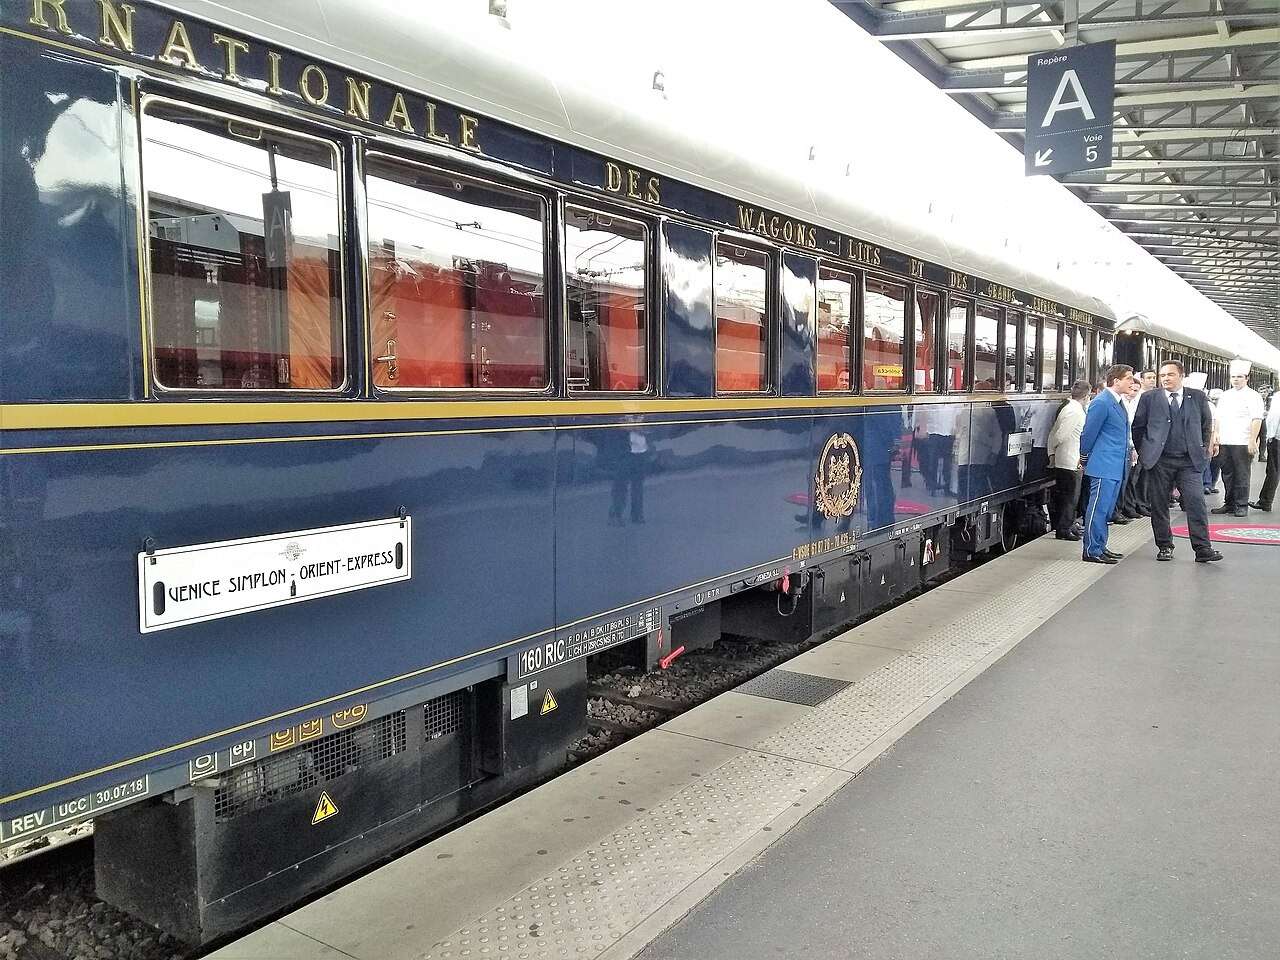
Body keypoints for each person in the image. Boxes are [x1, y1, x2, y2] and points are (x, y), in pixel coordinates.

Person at [1132, 360, 1221, 563]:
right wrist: (1145, 452)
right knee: (1159, 505)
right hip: (1160, 461)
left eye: (1170, 375)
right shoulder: (1149, 398)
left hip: (1189, 462)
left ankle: (1203, 548)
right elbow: (1138, 427)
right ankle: (1164, 546)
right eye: (1162, 375)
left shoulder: (1197, 396)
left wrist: (1202, 449)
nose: (1165, 379)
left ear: (1181, 376)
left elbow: (1206, 425)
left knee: (1196, 503)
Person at [1078, 364, 1135, 564]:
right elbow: (1088, 433)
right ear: (1116, 381)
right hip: (1104, 464)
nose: (1132, 382)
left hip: (1115, 465)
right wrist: (1084, 457)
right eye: (1128, 378)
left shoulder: (1117, 402)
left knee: (1107, 509)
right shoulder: (1102, 402)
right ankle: (1092, 550)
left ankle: (1100, 546)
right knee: (1098, 509)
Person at [1211, 360, 1265, 517]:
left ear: (1247, 378)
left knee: (1242, 474)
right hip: (1225, 440)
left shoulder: (1253, 396)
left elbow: (1257, 419)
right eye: (1233, 377)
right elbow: (1218, 417)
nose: (1236, 379)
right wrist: (1216, 434)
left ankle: (1241, 505)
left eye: (1239, 377)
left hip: (1242, 441)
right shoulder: (1225, 395)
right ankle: (1229, 503)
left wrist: (1252, 440)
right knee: (1227, 474)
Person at [1047, 380, 1089, 540]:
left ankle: (1068, 525)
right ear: (1086, 396)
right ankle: (1064, 529)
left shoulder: (1071, 408)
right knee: (1070, 497)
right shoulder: (1074, 411)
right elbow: (1059, 435)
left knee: (1069, 496)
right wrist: (1054, 450)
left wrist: (1052, 452)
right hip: (1070, 459)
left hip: (1068, 458)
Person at [1250, 388, 1279, 511]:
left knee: (1273, 471)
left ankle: (1266, 501)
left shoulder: (1278, 396)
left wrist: (1270, 436)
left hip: (1277, 438)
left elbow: (1274, 418)